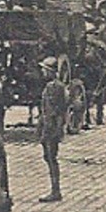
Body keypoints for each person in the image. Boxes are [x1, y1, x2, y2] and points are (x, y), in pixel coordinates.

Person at [38, 57, 68, 202]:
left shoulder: (53, 87)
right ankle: (55, 189)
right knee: (49, 158)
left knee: (51, 158)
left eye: (44, 69)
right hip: (50, 126)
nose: (42, 72)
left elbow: (55, 110)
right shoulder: (56, 86)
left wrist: (54, 129)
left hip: (51, 127)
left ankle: (55, 191)